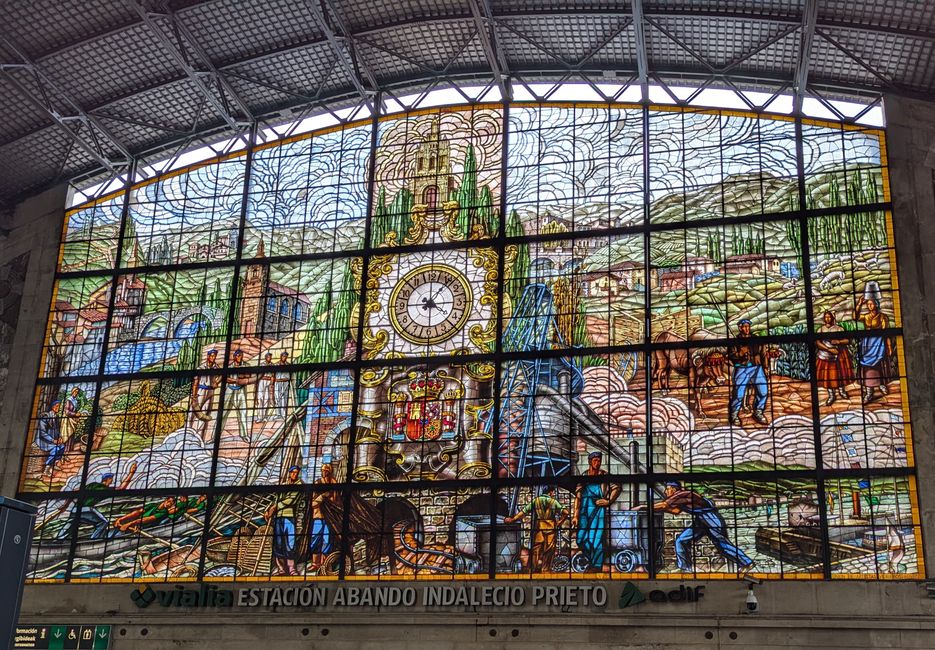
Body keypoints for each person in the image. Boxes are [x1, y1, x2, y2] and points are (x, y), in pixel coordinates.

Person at [643, 481, 753, 574]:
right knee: (681, 540)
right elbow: (675, 511)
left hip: (710, 518)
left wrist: (644, 507)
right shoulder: (679, 498)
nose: (665, 491)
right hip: (700, 520)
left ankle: (747, 563)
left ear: (674, 489)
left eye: (667, 489)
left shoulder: (682, 494)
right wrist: (654, 509)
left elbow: (664, 505)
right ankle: (686, 569)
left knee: (722, 543)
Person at [53, 463, 137, 540]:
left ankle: (57, 541)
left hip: (75, 509)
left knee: (70, 525)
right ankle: (94, 540)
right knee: (103, 523)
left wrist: (65, 505)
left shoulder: (91, 485)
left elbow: (74, 492)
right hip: (87, 509)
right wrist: (131, 473)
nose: (112, 481)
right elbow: (121, 488)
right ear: (107, 479)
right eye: (111, 479)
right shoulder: (105, 489)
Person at [572, 452, 620, 571]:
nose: (597, 463)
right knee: (580, 539)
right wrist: (575, 516)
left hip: (598, 511)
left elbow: (617, 487)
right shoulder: (583, 476)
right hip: (584, 511)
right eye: (595, 460)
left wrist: (608, 501)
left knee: (597, 539)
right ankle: (592, 560)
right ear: (589, 462)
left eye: (599, 460)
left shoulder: (604, 475)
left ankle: (596, 566)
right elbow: (578, 497)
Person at [504, 485, 569, 573]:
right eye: (552, 492)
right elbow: (565, 512)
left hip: (539, 527)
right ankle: (545, 569)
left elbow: (524, 512)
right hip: (551, 528)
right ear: (550, 492)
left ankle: (532, 569)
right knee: (549, 550)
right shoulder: (553, 502)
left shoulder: (536, 501)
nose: (553, 494)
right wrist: (559, 522)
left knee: (536, 549)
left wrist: (512, 519)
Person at [728, 319, 771, 426]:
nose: (747, 329)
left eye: (748, 326)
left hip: (757, 368)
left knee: (763, 391)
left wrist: (765, 367)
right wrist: (740, 353)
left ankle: (758, 411)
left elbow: (763, 353)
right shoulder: (734, 342)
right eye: (744, 326)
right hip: (742, 369)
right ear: (740, 328)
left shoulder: (756, 339)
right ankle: (734, 414)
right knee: (738, 394)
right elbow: (731, 356)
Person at [854, 296, 893, 403]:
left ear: (876, 304)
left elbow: (886, 333)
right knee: (867, 368)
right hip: (866, 344)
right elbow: (855, 317)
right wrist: (859, 304)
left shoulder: (882, 317)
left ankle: (881, 384)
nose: (869, 305)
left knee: (879, 365)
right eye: (868, 304)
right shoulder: (866, 316)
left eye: (871, 303)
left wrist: (888, 346)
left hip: (878, 344)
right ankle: (869, 392)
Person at [266, 465, 304, 576]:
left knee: (290, 544)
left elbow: (290, 501)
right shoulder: (283, 485)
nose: (295, 474)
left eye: (297, 472)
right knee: (278, 544)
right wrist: (267, 509)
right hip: (278, 518)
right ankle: (281, 569)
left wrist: (274, 507)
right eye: (293, 472)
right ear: (289, 472)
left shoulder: (299, 485)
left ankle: (292, 569)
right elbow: (275, 499)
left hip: (289, 517)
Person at [815, 311, 855, 406]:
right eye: (826, 317)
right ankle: (831, 395)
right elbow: (818, 343)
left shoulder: (839, 329)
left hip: (839, 355)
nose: (827, 319)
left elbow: (847, 340)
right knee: (829, 377)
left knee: (840, 374)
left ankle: (842, 391)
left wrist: (838, 342)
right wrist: (829, 349)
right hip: (825, 355)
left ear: (833, 318)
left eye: (829, 317)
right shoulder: (820, 330)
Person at [308, 463, 338, 571]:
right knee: (315, 539)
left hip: (329, 517)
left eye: (327, 470)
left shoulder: (334, 482)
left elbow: (335, 501)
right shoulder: (317, 483)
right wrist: (322, 497)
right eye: (323, 470)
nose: (325, 472)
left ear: (330, 471)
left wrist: (328, 499)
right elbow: (313, 503)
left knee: (327, 540)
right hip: (318, 516)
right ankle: (315, 564)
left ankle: (325, 564)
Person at [221, 349, 254, 442]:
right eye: (238, 355)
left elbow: (249, 376)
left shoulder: (246, 365)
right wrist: (237, 381)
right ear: (234, 356)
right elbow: (226, 379)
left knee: (243, 413)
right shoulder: (229, 367)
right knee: (223, 413)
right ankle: (216, 436)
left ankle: (244, 435)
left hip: (241, 391)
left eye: (241, 355)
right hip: (229, 390)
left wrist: (243, 378)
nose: (240, 357)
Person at [188, 349, 220, 442]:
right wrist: (194, 396)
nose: (213, 358)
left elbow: (222, 374)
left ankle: (199, 438)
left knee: (205, 414)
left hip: (210, 391)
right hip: (200, 391)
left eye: (215, 356)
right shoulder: (201, 368)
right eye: (212, 356)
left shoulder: (215, 367)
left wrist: (217, 382)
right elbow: (196, 381)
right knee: (192, 413)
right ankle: (186, 433)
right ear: (208, 356)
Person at [35, 401, 66, 476]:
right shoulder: (46, 417)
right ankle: (47, 468)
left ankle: (54, 464)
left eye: (59, 406)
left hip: (53, 440)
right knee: (56, 449)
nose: (58, 408)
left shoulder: (56, 417)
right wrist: (53, 440)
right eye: (56, 406)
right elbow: (42, 433)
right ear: (52, 407)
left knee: (62, 446)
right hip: (43, 440)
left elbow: (57, 430)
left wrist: (60, 438)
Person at [255, 352, 275, 423]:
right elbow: (259, 375)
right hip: (261, 382)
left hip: (268, 383)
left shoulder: (272, 365)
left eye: (270, 357)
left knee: (267, 399)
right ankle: (259, 417)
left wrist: (272, 381)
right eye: (269, 357)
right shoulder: (262, 364)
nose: (270, 358)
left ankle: (264, 417)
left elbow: (273, 375)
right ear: (266, 357)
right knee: (260, 399)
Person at [273, 351, 291, 420]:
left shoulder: (288, 365)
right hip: (277, 383)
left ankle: (284, 414)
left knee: (284, 398)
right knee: (277, 398)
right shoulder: (276, 365)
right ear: (281, 356)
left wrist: (279, 380)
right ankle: (278, 414)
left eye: (286, 356)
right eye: (283, 356)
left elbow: (288, 377)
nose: (285, 358)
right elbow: (273, 375)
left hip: (285, 383)